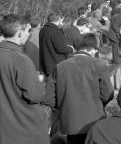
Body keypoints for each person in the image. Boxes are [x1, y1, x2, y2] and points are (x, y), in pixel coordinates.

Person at [53, 33, 114, 144]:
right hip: (94, 120)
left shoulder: (60, 67)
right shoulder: (100, 65)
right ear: (94, 49)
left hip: (70, 122)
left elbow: (50, 97)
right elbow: (108, 94)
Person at [0, 14, 49, 144]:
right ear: (19, 33)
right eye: (28, 31)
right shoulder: (20, 59)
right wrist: (39, 82)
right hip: (22, 126)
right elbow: (35, 95)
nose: (29, 34)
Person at [39, 12, 75, 77]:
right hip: (55, 64)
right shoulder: (55, 31)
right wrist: (71, 49)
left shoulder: (43, 29)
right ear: (59, 19)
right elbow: (60, 48)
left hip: (45, 61)